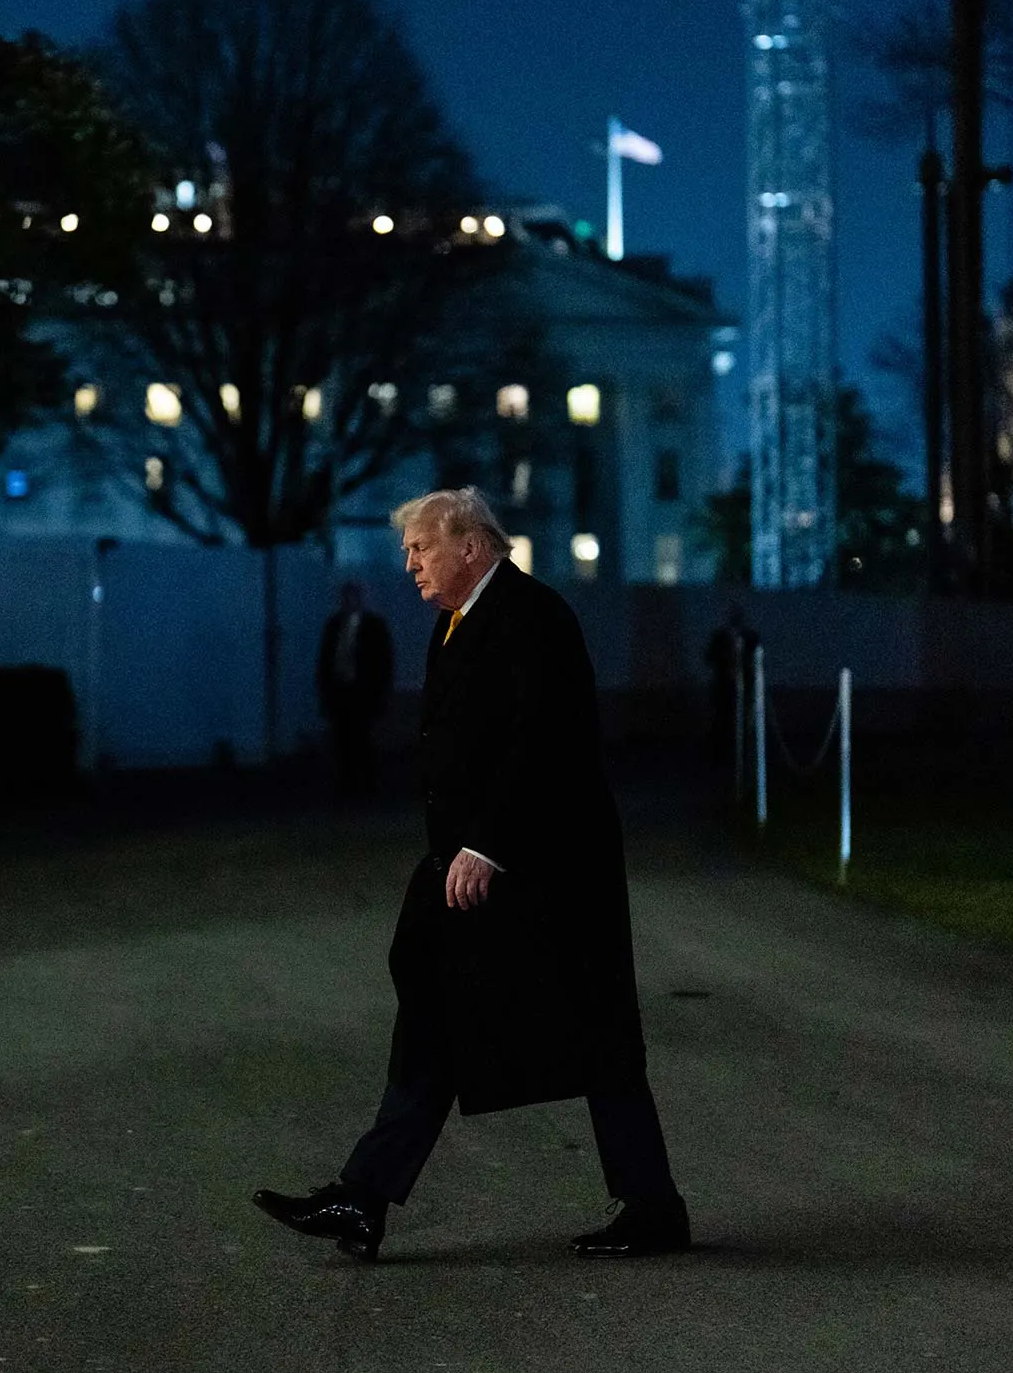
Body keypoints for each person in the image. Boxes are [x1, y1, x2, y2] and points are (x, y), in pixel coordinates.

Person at [253, 487, 688, 1262]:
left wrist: (487, 843)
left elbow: (543, 741)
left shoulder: (531, 616)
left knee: (596, 1030)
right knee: (434, 1011)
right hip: (474, 866)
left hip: (544, 870)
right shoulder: (458, 623)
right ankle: (363, 1196)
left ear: (471, 547)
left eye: (420, 548)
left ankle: (653, 1206)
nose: (410, 563)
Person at [316, 581, 394, 798]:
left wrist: (379, 692)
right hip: (341, 692)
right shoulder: (334, 625)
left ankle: (367, 786)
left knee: (363, 740)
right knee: (343, 741)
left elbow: (383, 661)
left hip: (362, 693)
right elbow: (325, 661)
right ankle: (348, 786)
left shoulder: (374, 626)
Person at [702, 603, 759, 770]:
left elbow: (757, 660)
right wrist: (725, 659)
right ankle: (719, 758)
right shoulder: (719, 637)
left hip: (744, 687)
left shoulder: (751, 637)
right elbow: (709, 657)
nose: (735, 619)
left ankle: (741, 757)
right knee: (721, 722)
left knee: (742, 722)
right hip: (723, 688)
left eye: (737, 616)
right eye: (732, 616)